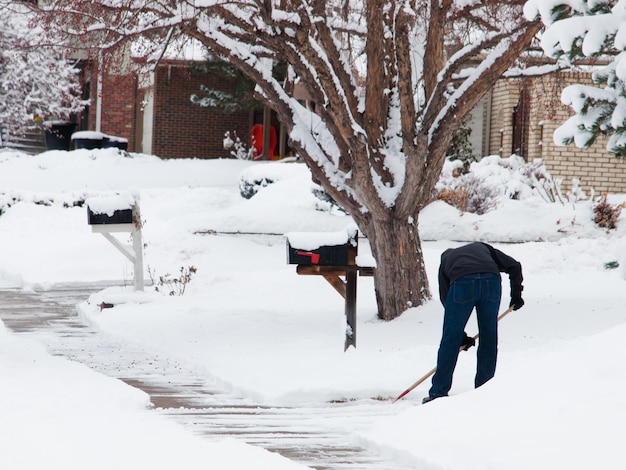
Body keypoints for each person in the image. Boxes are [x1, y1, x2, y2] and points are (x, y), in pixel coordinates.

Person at [423, 242, 524, 404]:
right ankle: (484, 391)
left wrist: (459, 336)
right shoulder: (483, 248)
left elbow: (447, 302)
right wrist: (516, 294)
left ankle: (438, 393)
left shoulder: (446, 262)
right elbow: (514, 266)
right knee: (488, 338)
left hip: (462, 283)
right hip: (491, 281)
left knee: (450, 340)